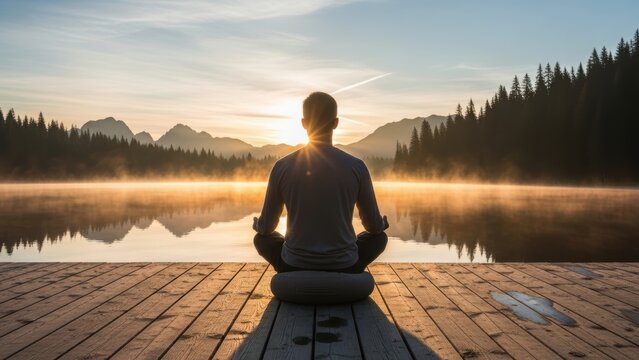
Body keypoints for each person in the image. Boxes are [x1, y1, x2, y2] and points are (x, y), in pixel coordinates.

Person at [253, 91, 389, 273]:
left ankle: (297, 270)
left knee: (261, 239)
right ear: (336, 123)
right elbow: (373, 227)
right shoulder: (356, 166)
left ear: (303, 123)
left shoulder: (282, 167)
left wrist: (258, 225)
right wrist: (381, 224)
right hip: (345, 265)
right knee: (379, 238)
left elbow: (267, 228)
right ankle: (343, 270)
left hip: (293, 265)